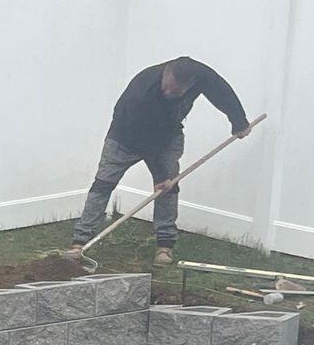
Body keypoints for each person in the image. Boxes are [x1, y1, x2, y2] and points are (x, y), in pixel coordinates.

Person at [69, 57, 252, 260]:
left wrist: (238, 120)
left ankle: (165, 245)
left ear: (190, 85)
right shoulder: (141, 91)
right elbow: (144, 141)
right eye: (166, 88)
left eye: (175, 92)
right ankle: (80, 241)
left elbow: (220, 91)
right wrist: (159, 176)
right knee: (103, 184)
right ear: (165, 73)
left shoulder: (200, 75)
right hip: (126, 135)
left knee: (169, 187)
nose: (168, 93)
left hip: (168, 136)